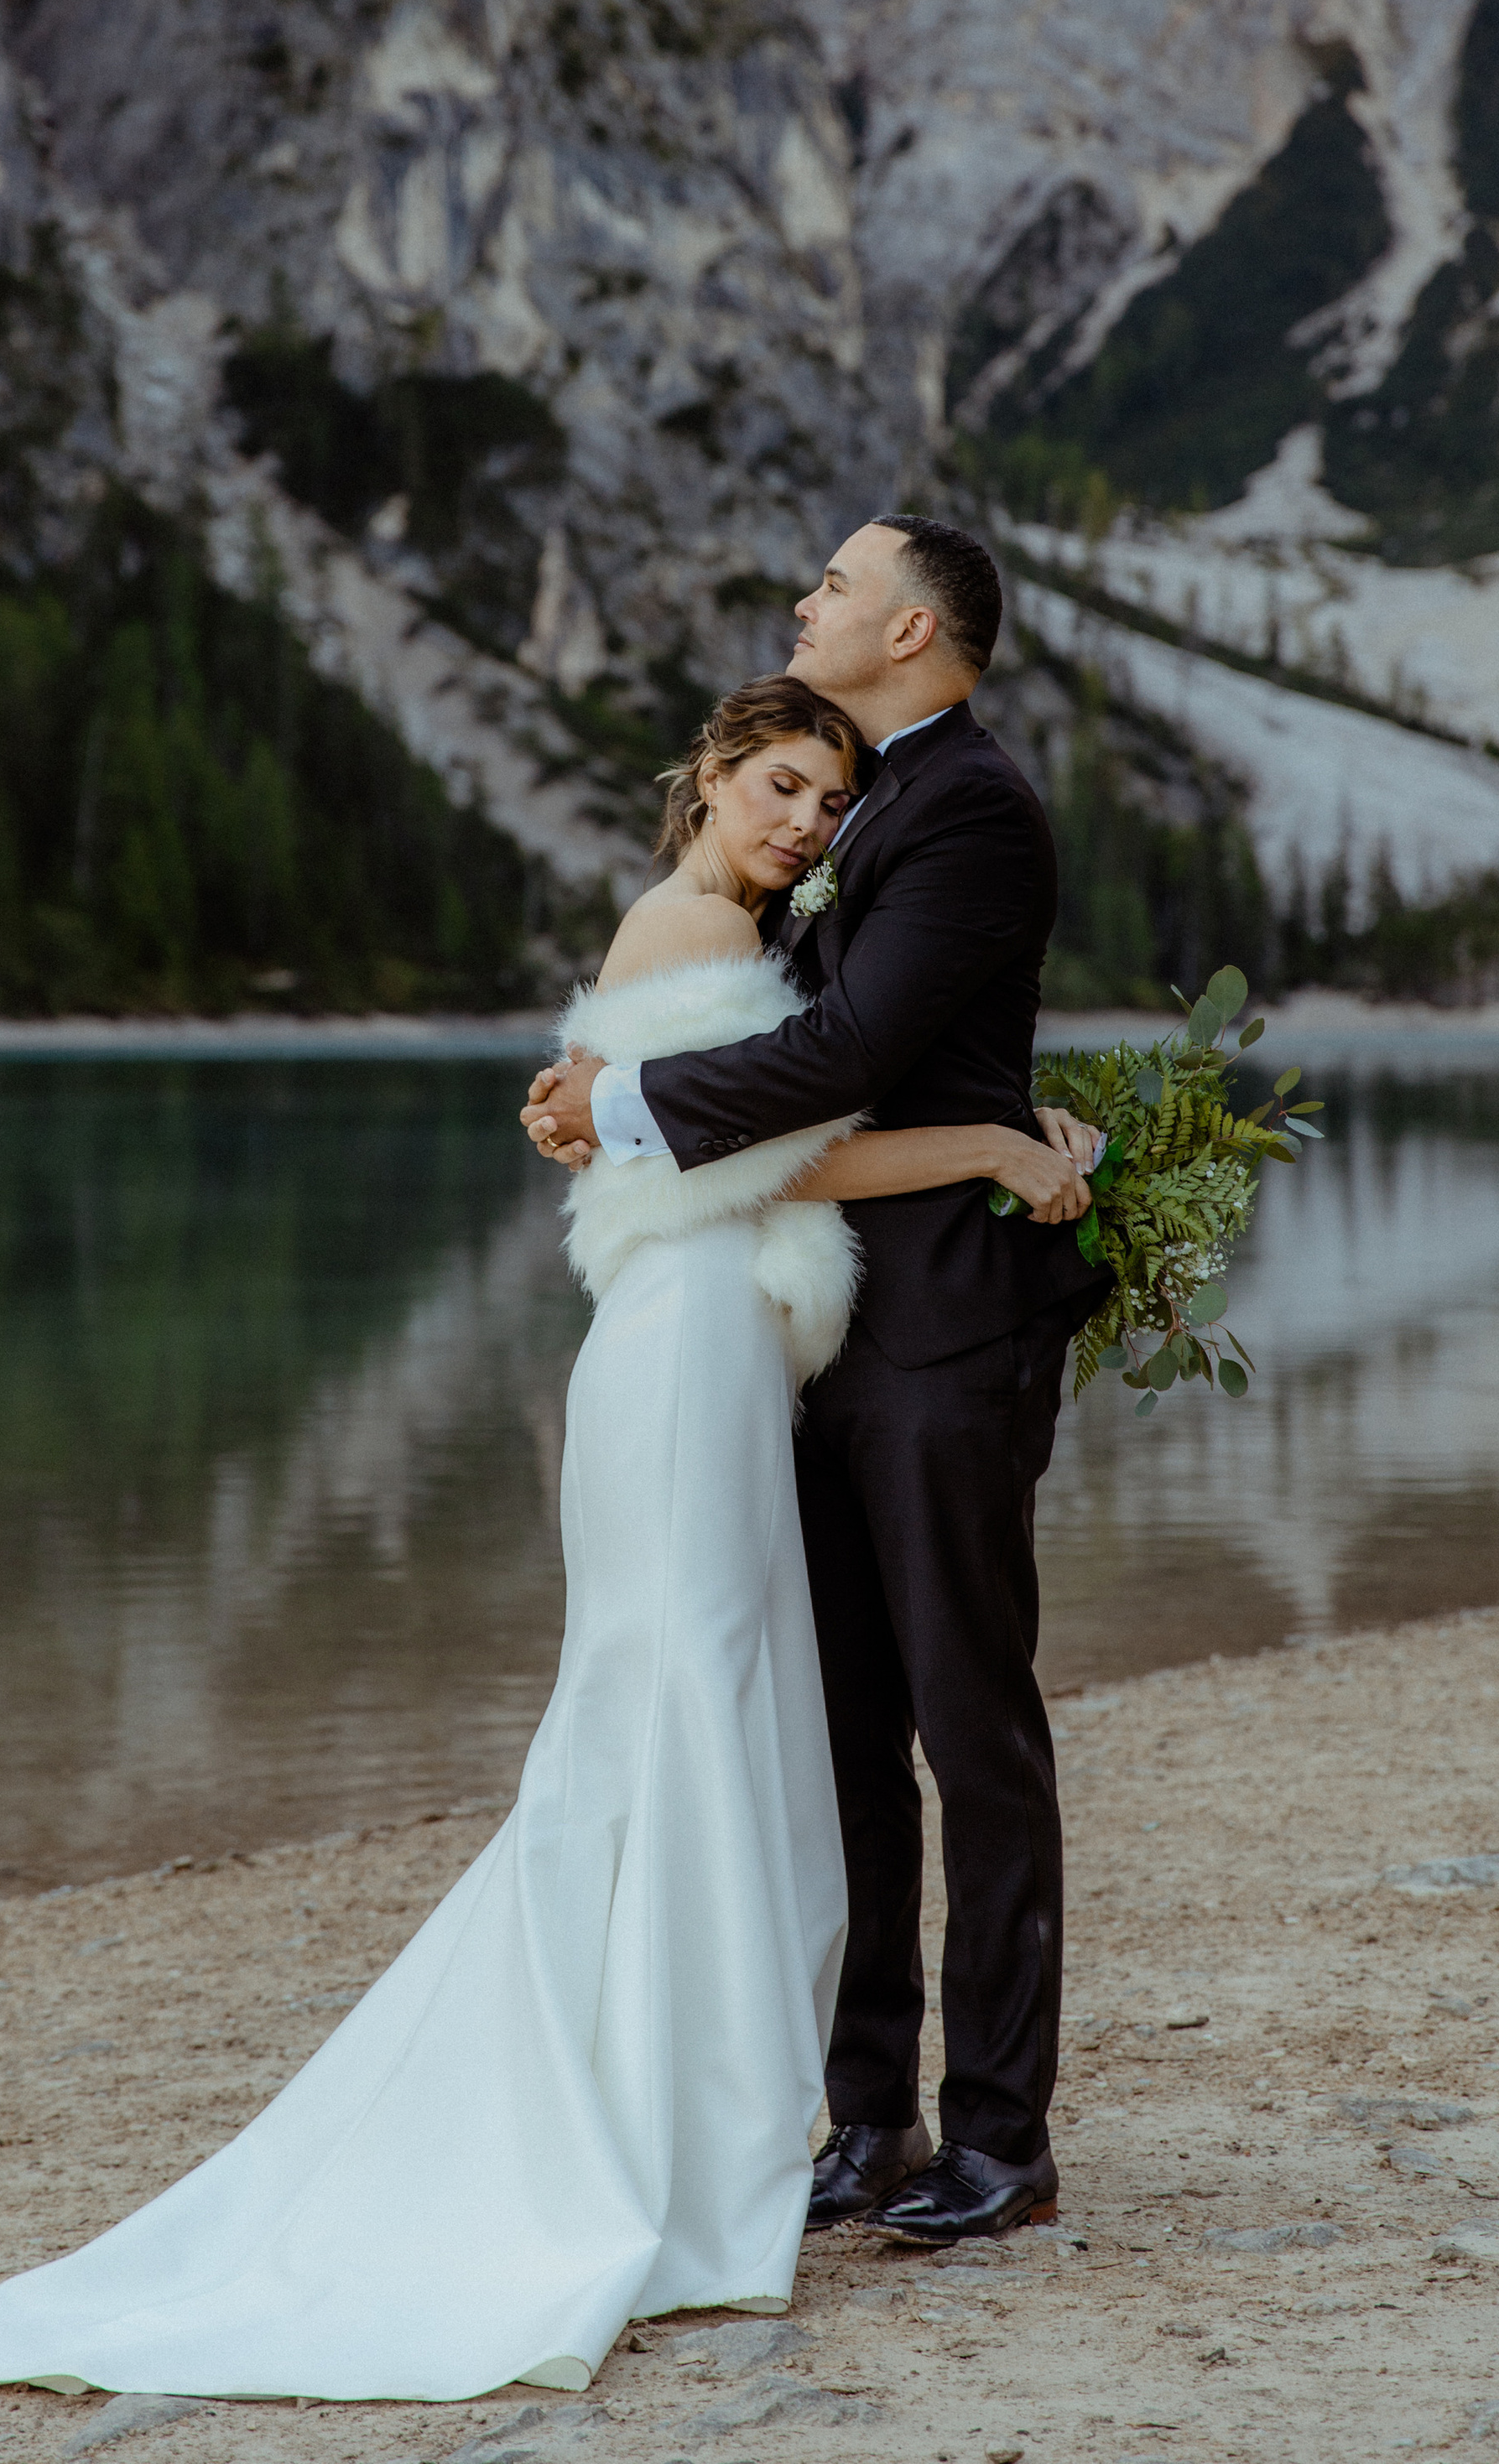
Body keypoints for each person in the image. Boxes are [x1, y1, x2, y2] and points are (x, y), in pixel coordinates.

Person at [0, 671, 1086, 2410]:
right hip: (683, 1357)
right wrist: (994, 1137)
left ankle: (724, 2111)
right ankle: (671, 2122)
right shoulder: (676, 921)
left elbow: (776, 1103)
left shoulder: (746, 937)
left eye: (825, 804)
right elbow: (766, 1151)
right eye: (774, 783)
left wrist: (998, 1117)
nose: (799, 824)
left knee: (704, 1703)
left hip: (713, 1359)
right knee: (680, 1696)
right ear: (707, 780)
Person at [523, 516, 1107, 2248]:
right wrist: (591, 1083)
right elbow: (799, 1035)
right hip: (824, 1336)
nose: (807, 602)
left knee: (969, 1730)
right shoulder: (861, 806)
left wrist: (612, 1117)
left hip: (943, 1342)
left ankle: (998, 2137)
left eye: (836, 586)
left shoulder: (972, 805)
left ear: (912, 626)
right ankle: (868, 2118)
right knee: (845, 1732)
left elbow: (849, 1057)